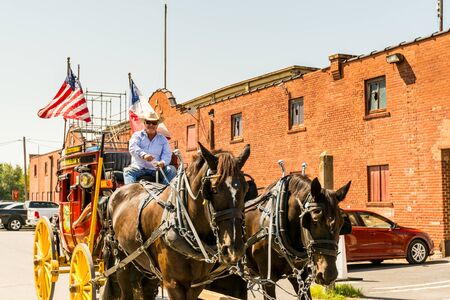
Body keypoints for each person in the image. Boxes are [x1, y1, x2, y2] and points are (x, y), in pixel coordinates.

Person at [124, 111, 176, 185]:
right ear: (144, 123)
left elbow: (167, 154)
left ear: (157, 125)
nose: (151, 125)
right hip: (139, 167)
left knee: (172, 170)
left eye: (154, 123)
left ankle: (164, 192)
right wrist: (143, 155)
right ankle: (130, 195)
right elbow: (133, 147)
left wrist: (162, 163)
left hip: (156, 169)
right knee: (128, 172)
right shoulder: (137, 135)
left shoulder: (162, 139)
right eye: (148, 122)